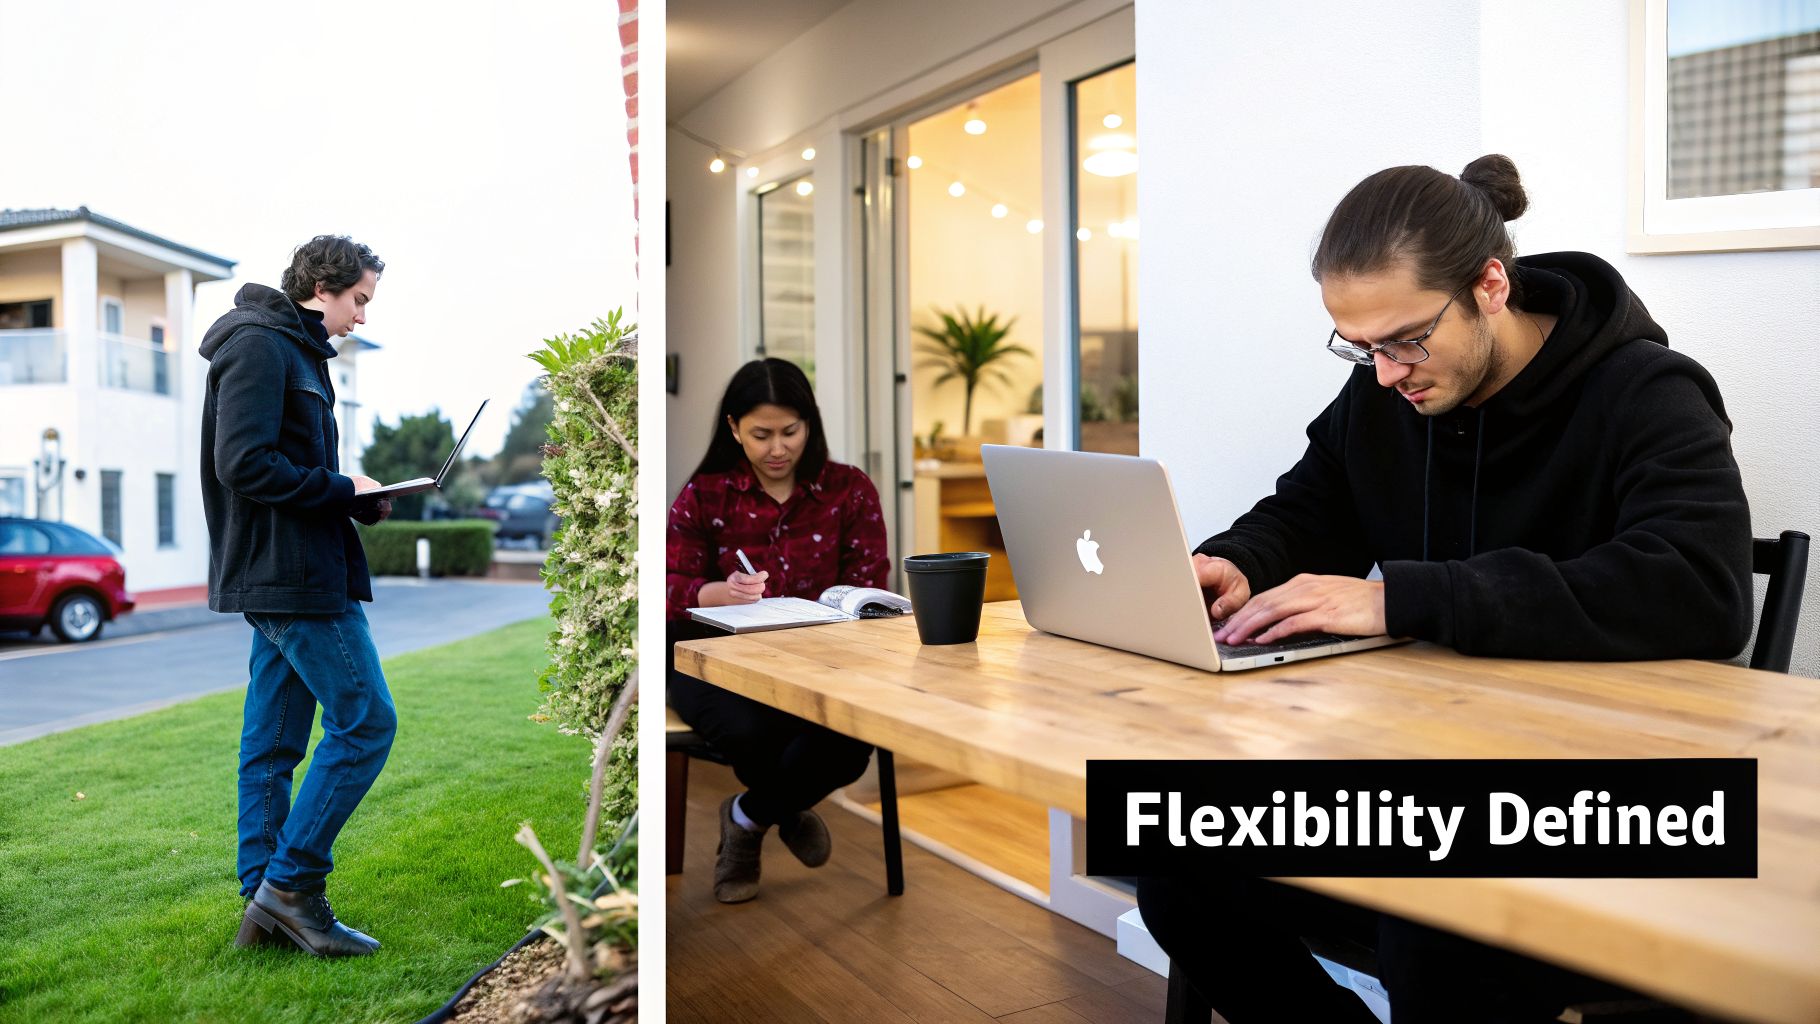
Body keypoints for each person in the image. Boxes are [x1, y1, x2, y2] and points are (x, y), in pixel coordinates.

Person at [1138, 155, 1753, 1022]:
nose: (1386, 372)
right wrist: (1240, 561)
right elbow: (1308, 511)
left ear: (1490, 286)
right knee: (1181, 866)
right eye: (1361, 346)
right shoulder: (1387, 394)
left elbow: (1702, 587)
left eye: (1405, 340)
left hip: (1602, 803)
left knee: (1438, 930)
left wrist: (1401, 598)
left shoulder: (1647, 391)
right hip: (1424, 781)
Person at [200, 235, 396, 958]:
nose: (362, 316)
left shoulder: (299, 352)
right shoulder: (260, 345)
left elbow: (289, 471)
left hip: (296, 567)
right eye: (359, 300)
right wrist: (343, 488)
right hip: (291, 576)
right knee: (366, 723)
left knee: (274, 744)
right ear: (322, 286)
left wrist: (356, 497)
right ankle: (291, 889)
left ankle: (264, 906)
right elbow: (243, 463)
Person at [666, 357, 890, 903]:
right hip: (711, 654)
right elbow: (667, 584)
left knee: (851, 739)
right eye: (760, 434)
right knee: (753, 731)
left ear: (809, 423)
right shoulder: (706, 494)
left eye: (790, 431)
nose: (777, 449)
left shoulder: (849, 490)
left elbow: (869, 585)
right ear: (733, 428)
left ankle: (748, 816)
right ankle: (783, 810)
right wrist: (721, 592)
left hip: (822, 655)